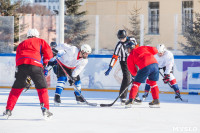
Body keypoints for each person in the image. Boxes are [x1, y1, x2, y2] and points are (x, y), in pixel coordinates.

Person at [3, 29, 53, 119]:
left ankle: (8, 110)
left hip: (21, 66)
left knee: (16, 89)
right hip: (35, 65)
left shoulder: (22, 43)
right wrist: (45, 63)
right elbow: (49, 54)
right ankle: (45, 109)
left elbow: (18, 56)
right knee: (42, 89)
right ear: (37, 35)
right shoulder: (40, 41)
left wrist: (19, 71)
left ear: (28, 36)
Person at [104, 30, 140, 105]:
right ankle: (123, 97)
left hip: (133, 59)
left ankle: (135, 96)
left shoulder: (132, 39)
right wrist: (110, 67)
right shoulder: (119, 45)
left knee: (135, 78)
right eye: (120, 38)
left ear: (126, 36)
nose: (121, 40)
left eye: (123, 38)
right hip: (124, 62)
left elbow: (137, 49)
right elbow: (115, 57)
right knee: (127, 78)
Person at [125, 43, 160, 108]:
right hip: (155, 64)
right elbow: (155, 50)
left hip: (145, 66)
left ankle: (130, 100)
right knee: (153, 83)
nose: (127, 50)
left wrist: (135, 76)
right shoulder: (142, 47)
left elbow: (132, 70)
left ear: (130, 48)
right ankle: (156, 101)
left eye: (127, 49)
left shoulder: (130, 56)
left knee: (136, 84)